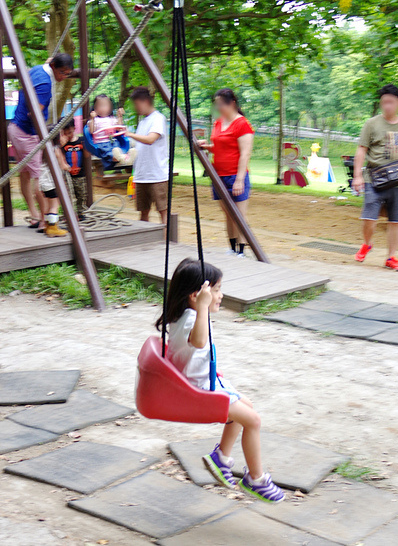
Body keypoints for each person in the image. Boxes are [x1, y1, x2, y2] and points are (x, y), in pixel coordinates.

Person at [156, 258, 285, 503]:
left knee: (245, 406)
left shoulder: (184, 315)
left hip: (204, 383)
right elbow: (199, 342)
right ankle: (256, 479)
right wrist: (203, 308)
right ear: (197, 296)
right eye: (216, 290)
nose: (220, 295)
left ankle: (221, 458)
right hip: (198, 390)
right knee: (253, 421)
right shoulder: (192, 319)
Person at [9, 53, 73, 230]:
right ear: (53, 67)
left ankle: (35, 215)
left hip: (17, 129)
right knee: (40, 176)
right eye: (62, 72)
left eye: (67, 73)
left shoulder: (38, 70)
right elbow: (34, 114)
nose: (63, 77)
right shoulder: (45, 85)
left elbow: (47, 63)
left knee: (26, 174)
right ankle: (45, 220)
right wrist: (48, 138)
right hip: (27, 132)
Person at [197, 89, 253, 257]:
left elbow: (245, 153)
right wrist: (206, 147)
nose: (219, 107)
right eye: (217, 104)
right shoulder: (218, 123)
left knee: (239, 215)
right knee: (228, 214)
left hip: (236, 176)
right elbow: (220, 147)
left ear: (232, 104)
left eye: (221, 104)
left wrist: (240, 180)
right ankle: (232, 247)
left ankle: (242, 251)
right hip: (218, 175)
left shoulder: (242, 124)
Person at [353, 85, 398, 271]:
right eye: (384, 102)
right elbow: (361, 149)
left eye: (391, 102)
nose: (387, 106)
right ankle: (367, 243)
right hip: (373, 178)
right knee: (369, 218)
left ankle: (391, 257)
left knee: (395, 220)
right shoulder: (372, 124)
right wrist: (357, 176)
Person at [125, 87, 170, 224]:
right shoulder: (143, 122)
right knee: (143, 212)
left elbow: (151, 139)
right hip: (141, 175)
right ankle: (146, 242)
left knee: (163, 211)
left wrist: (129, 134)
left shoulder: (158, 118)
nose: (136, 108)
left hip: (157, 175)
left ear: (145, 101)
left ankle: (166, 242)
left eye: (137, 104)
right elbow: (139, 145)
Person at [84, 94, 131, 170]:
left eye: (106, 106)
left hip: (113, 141)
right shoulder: (95, 120)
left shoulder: (112, 119)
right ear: (95, 108)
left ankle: (126, 156)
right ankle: (122, 158)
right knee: (109, 153)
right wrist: (92, 118)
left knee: (118, 149)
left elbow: (119, 128)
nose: (103, 108)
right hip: (102, 143)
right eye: (101, 106)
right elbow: (92, 131)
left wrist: (119, 116)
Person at [60, 122, 88, 222]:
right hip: (67, 175)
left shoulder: (81, 141)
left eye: (70, 132)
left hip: (80, 174)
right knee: (67, 194)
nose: (68, 135)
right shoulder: (62, 144)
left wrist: (86, 145)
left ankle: (80, 212)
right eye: (66, 133)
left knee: (81, 194)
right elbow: (59, 155)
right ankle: (67, 214)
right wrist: (61, 144)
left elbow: (87, 155)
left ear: (74, 128)